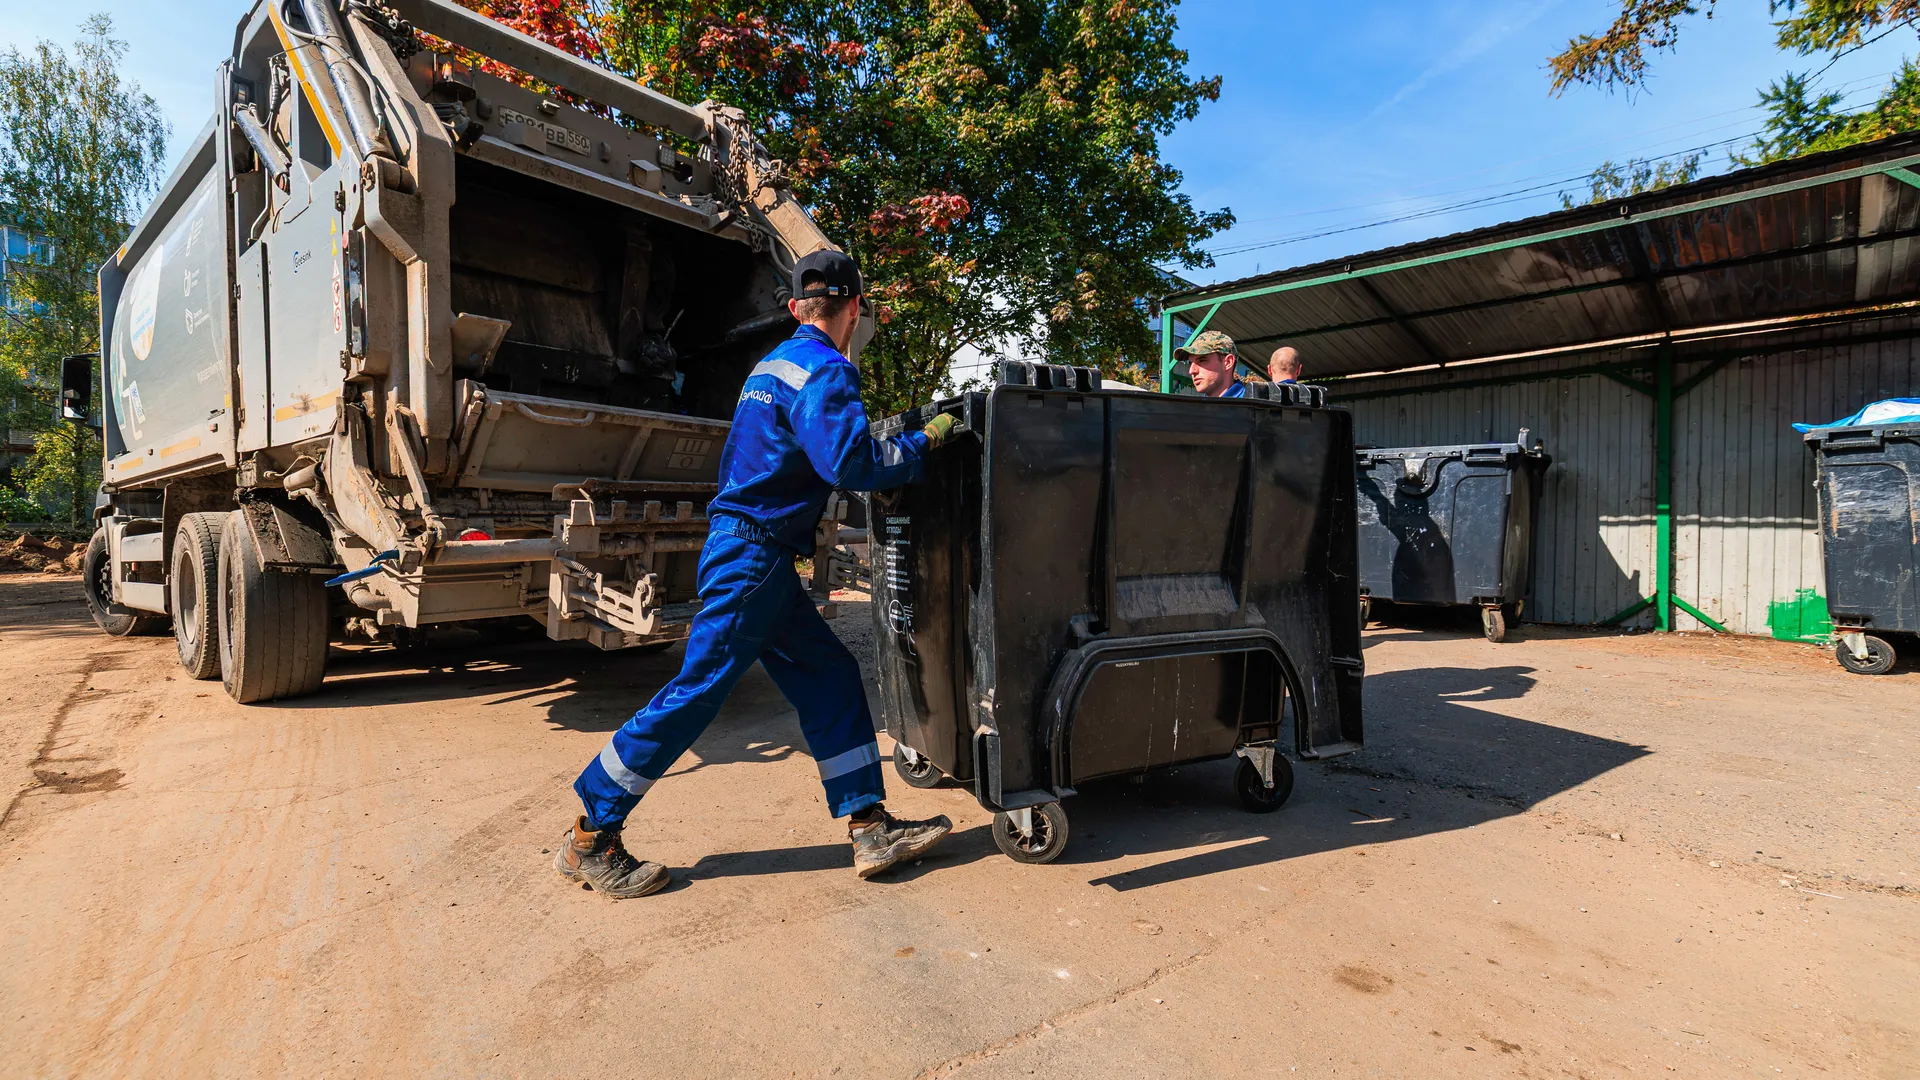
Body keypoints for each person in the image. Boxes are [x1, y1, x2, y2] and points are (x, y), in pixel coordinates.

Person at [556, 249, 961, 899]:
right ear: (855, 307)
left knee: (829, 677)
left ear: (798, 306)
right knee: (696, 694)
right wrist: (927, 440)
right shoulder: (826, 370)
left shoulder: (769, 368)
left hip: (755, 556)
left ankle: (868, 824)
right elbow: (853, 465)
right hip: (754, 558)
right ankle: (592, 836)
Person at [1176, 329, 1247, 398]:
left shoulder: (1251, 406)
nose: (1191, 371)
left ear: (1228, 362)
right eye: (1190, 363)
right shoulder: (1197, 407)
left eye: (1202, 360)